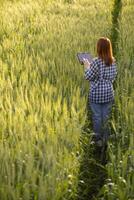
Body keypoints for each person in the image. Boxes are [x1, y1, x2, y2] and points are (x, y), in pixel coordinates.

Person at [83, 37, 117, 147]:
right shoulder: (112, 61)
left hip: (96, 95)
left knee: (97, 117)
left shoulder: (96, 61)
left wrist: (86, 66)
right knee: (106, 116)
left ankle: (98, 140)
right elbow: (113, 77)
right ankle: (106, 138)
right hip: (108, 93)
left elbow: (88, 77)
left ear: (99, 48)